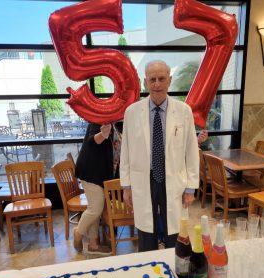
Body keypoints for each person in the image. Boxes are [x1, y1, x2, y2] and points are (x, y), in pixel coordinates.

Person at [120, 60, 199, 252]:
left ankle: (175, 265)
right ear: (145, 81)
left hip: (173, 179)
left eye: (161, 79)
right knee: (146, 230)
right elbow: (126, 151)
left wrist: (191, 187)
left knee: (175, 228)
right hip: (144, 179)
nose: (157, 84)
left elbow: (191, 150)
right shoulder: (131, 112)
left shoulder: (184, 111)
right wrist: (126, 186)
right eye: (152, 79)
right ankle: (148, 267)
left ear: (169, 80)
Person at [73, 122, 114, 255]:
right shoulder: (100, 118)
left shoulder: (117, 121)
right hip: (91, 171)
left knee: (95, 207)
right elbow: (93, 140)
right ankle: (78, 232)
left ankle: (93, 244)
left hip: (97, 171)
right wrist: (103, 134)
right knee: (95, 208)